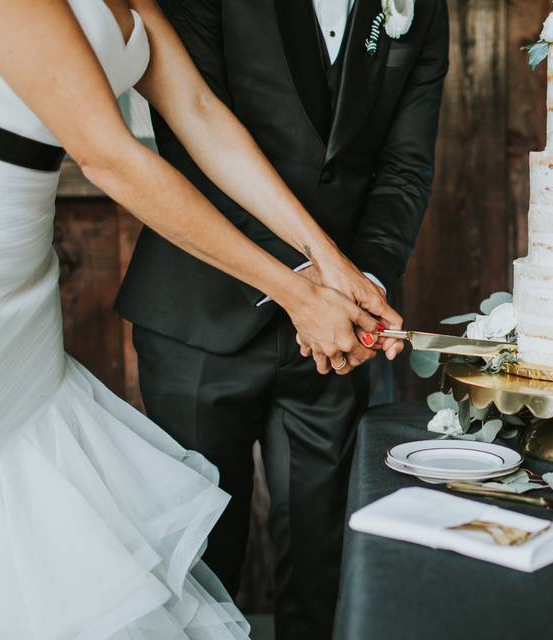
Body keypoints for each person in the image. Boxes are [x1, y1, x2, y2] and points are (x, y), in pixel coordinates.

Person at [0, 0, 399, 637]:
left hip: (20, 291)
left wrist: (329, 264)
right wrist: (297, 294)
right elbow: (108, 156)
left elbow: (200, 115)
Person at [115, 1, 449, 638]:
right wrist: (305, 283)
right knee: (199, 565)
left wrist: (364, 282)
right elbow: (190, 137)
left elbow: (405, 165)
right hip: (201, 316)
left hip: (339, 333)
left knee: (323, 561)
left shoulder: (421, 7)